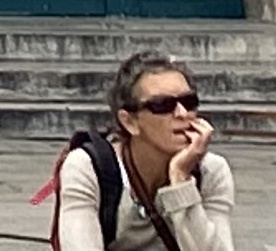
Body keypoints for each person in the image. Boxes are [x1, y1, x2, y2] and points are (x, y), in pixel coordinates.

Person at [51, 53, 234, 250]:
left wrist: (181, 180)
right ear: (130, 122)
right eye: (162, 105)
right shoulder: (88, 168)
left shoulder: (210, 171)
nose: (182, 114)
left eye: (189, 102)